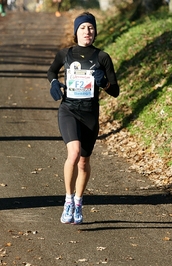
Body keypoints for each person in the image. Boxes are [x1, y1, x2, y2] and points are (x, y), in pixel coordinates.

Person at [47, 12, 120, 224]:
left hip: (90, 113)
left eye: (90, 28)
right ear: (76, 31)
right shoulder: (65, 54)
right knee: (74, 153)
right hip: (69, 109)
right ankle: (68, 200)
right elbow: (51, 72)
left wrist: (104, 82)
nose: (87, 31)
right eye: (82, 28)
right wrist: (53, 83)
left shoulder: (102, 57)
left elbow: (115, 90)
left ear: (95, 31)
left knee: (84, 161)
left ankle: (79, 201)